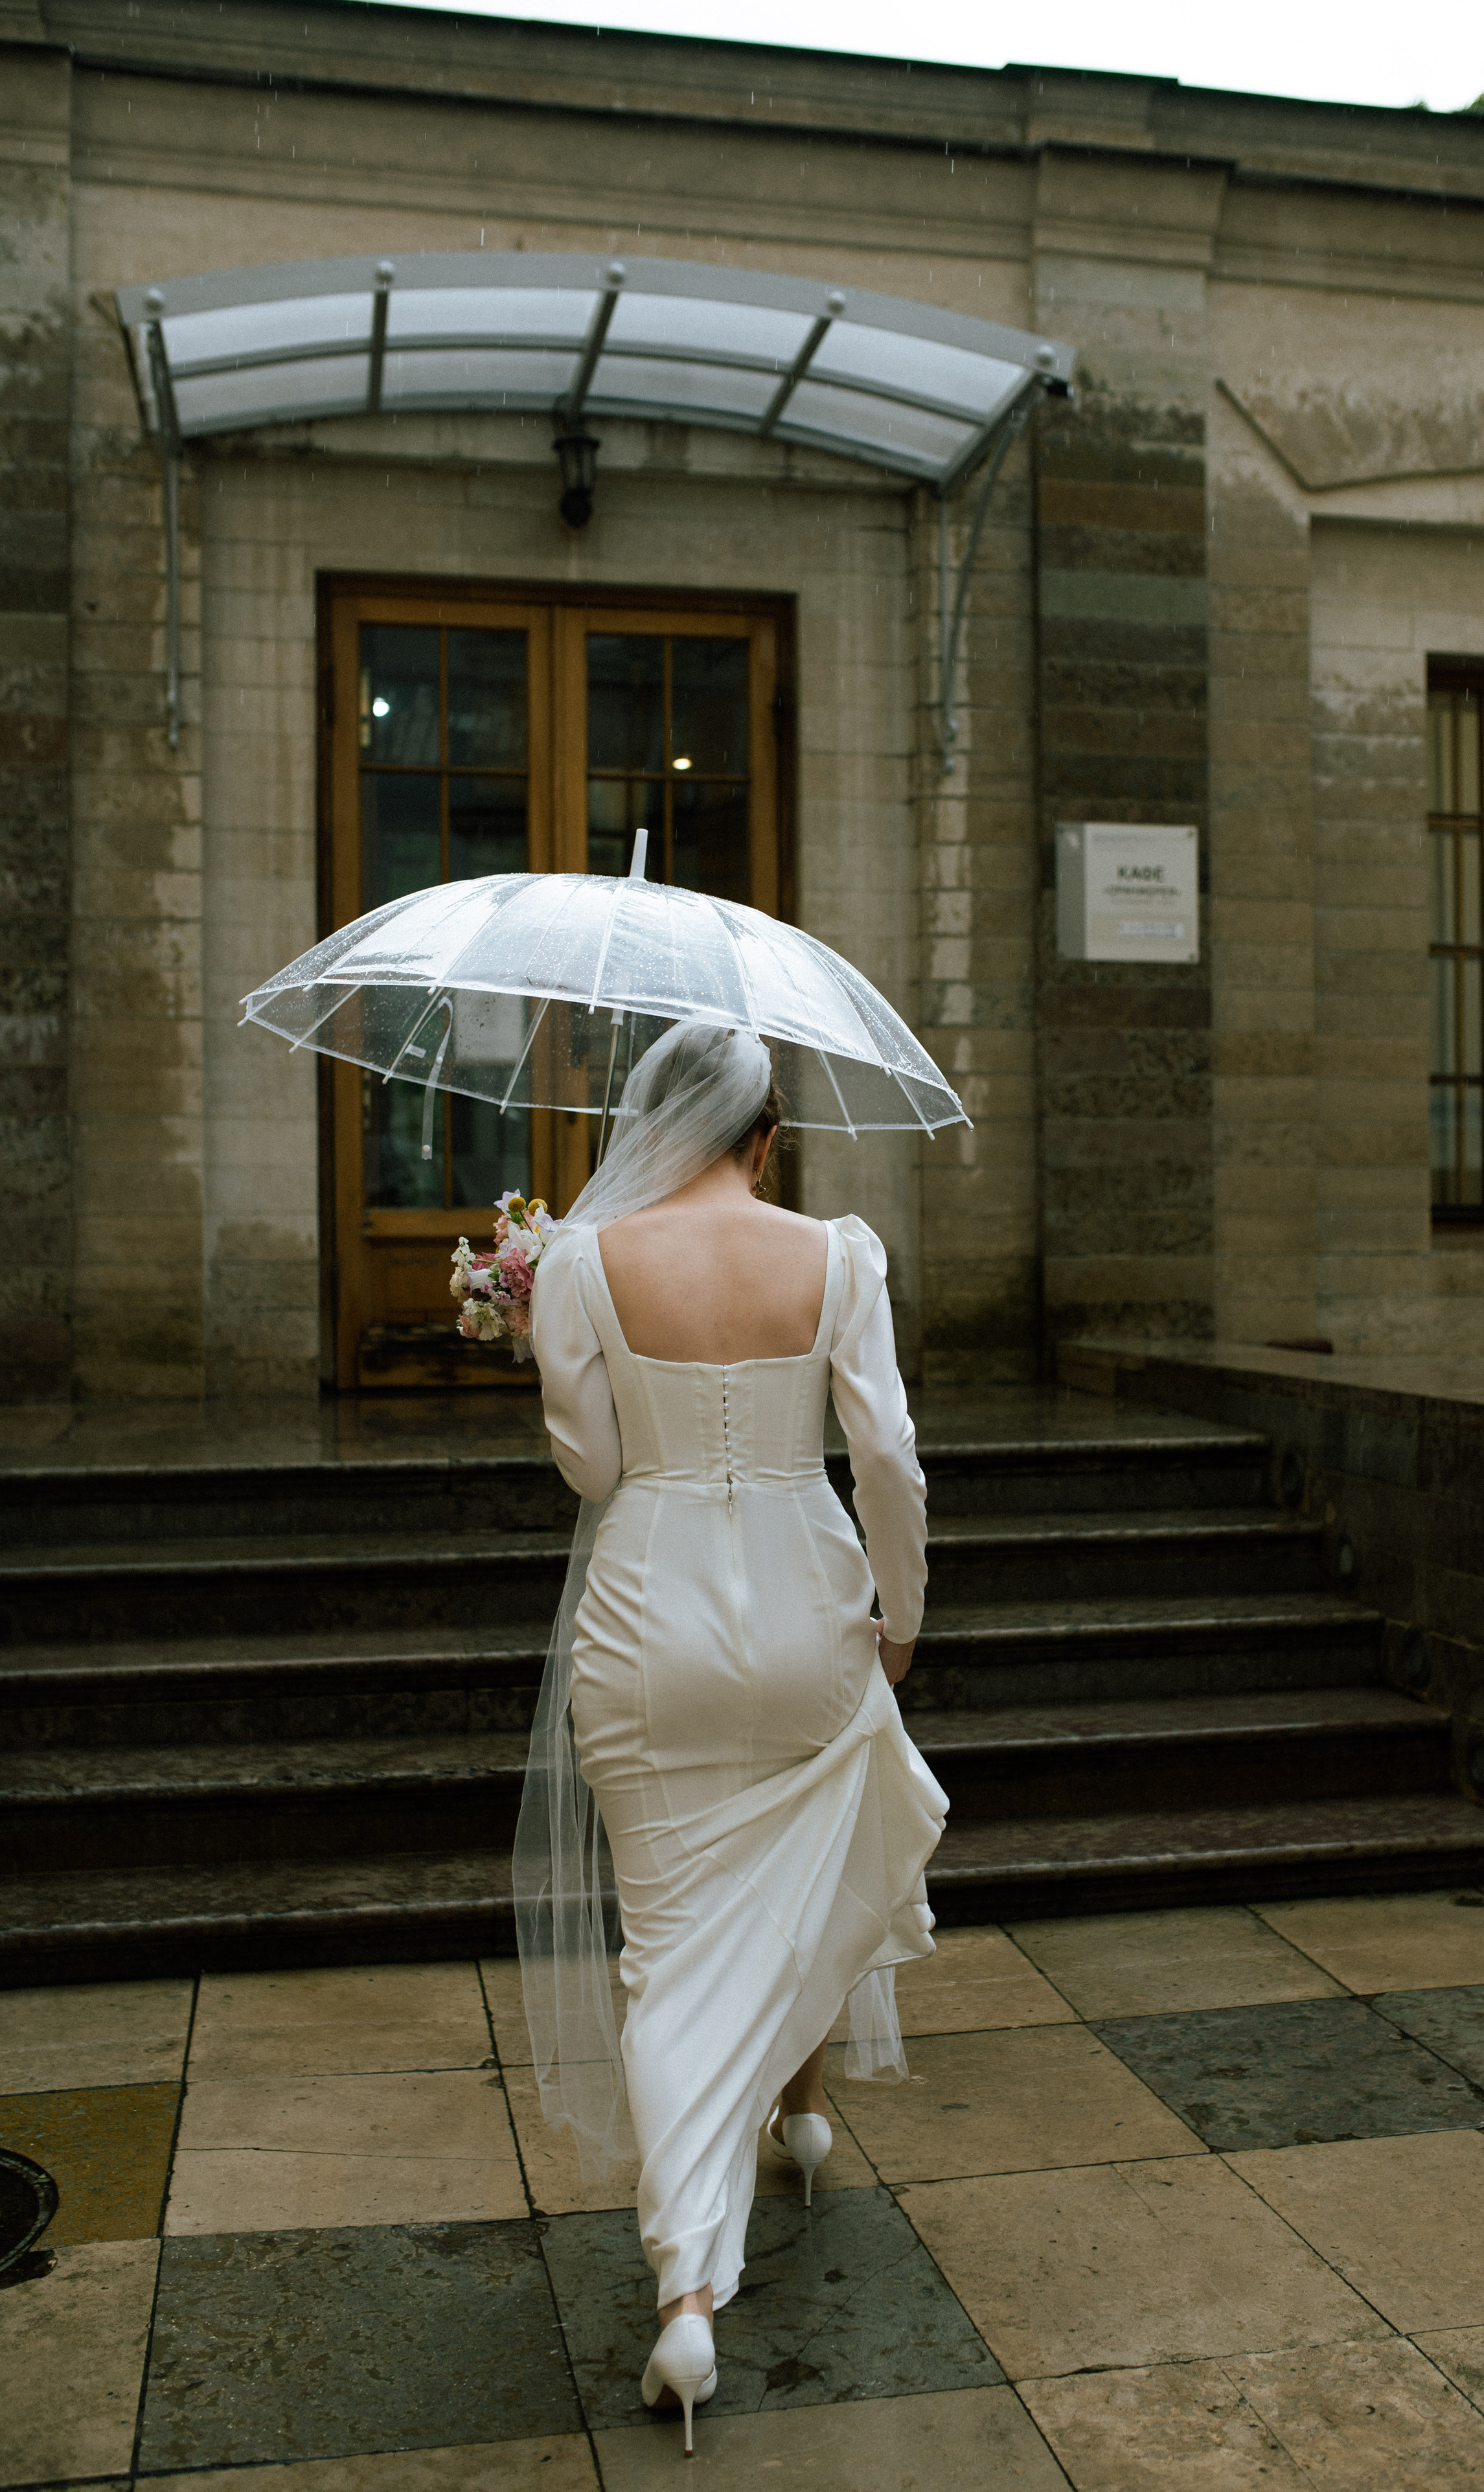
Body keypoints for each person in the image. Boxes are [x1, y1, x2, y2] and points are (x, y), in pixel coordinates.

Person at [514, 1018, 946, 2454]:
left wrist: (545, 1339)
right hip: (805, 1597)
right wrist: (899, 1610)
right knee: (808, 1868)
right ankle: (799, 2124)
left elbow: (590, 1462)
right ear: (766, 1137)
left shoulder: (579, 1260)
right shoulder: (840, 1252)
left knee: (666, 1944)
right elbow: (881, 1453)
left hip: (649, 1618)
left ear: (655, 1125)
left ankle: (687, 2289)